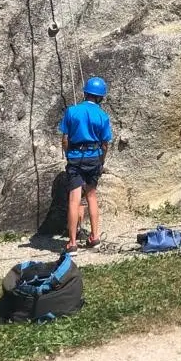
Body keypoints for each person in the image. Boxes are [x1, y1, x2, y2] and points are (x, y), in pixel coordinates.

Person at [58, 76, 113, 253]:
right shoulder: (103, 116)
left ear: (86, 93)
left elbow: (65, 138)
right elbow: (105, 143)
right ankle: (95, 237)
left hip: (75, 156)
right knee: (91, 196)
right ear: (100, 97)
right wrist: (101, 161)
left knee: (74, 199)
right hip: (94, 157)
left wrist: (69, 155)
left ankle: (72, 242)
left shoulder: (71, 111)